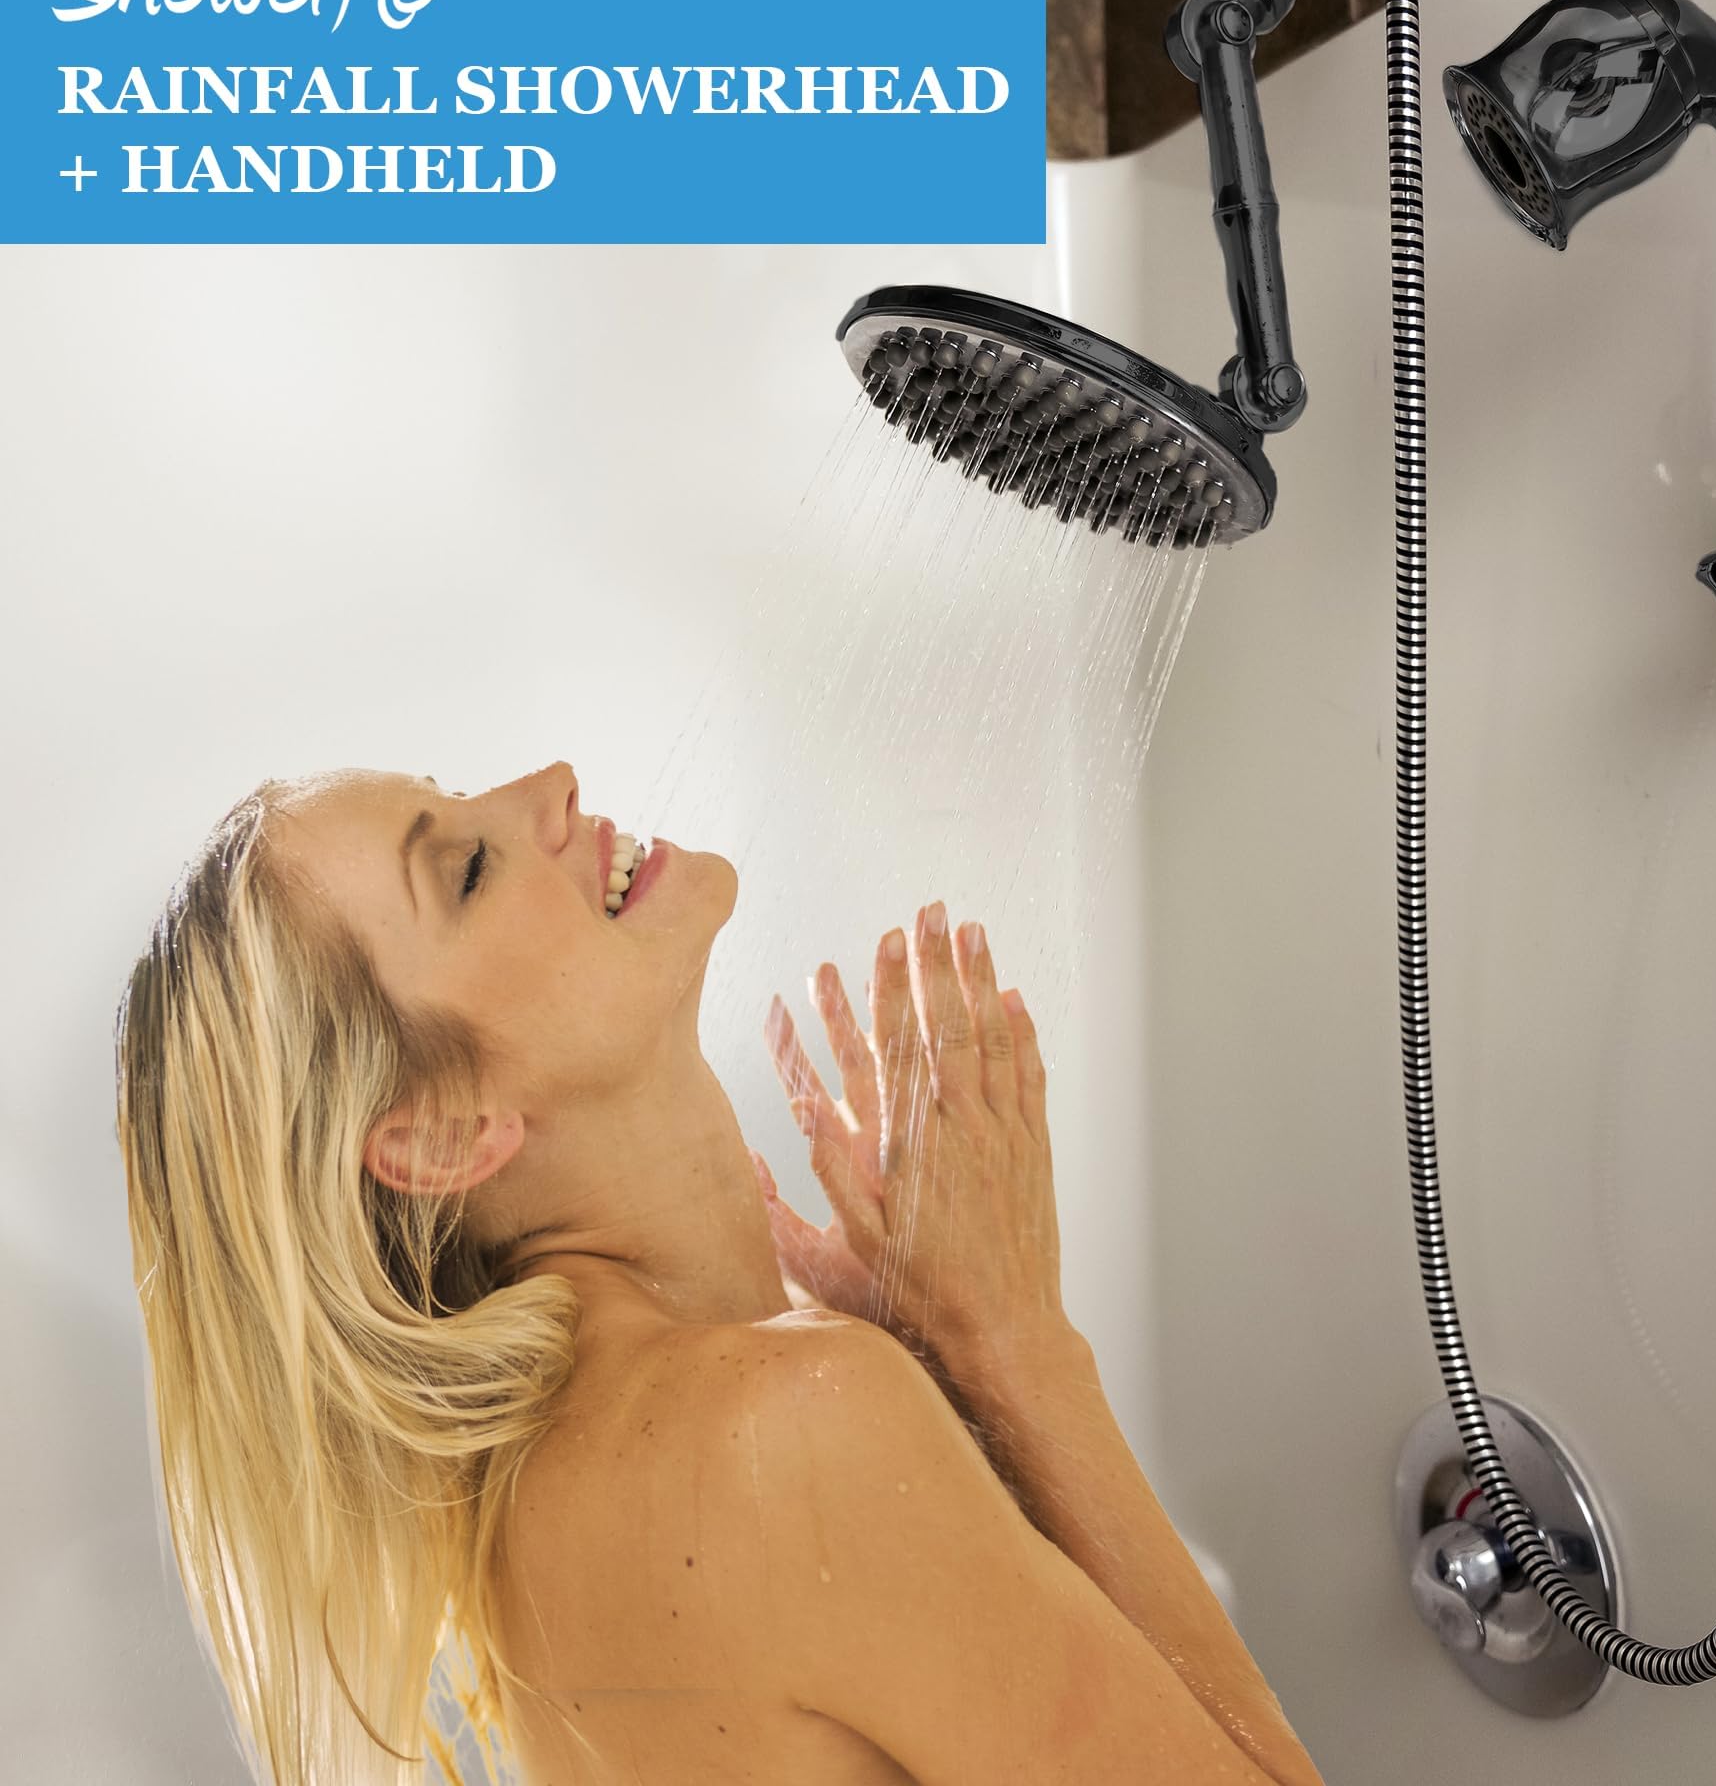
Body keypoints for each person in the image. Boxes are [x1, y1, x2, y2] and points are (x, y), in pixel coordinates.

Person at [114, 761, 1324, 1785]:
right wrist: (1015, 1349)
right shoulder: (785, 1429)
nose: (547, 783)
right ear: (438, 1134)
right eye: (467, 870)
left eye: (462, 796)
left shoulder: (525, 1495)